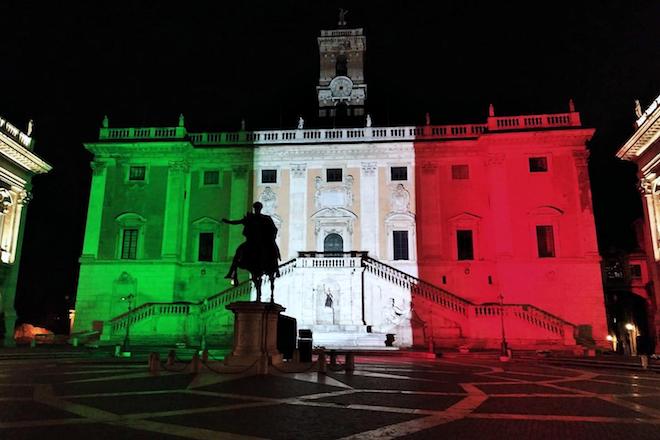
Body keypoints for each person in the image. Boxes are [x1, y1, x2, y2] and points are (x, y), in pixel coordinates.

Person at [223, 202, 281, 300]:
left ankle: (276, 268)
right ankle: (232, 272)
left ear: (260, 208)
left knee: (273, 250)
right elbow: (237, 222)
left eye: (257, 208)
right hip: (252, 241)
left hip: (264, 241)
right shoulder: (251, 218)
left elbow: (274, 229)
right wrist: (227, 222)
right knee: (239, 251)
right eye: (255, 208)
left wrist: (270, 236)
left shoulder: (266, 218)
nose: (256, 209)